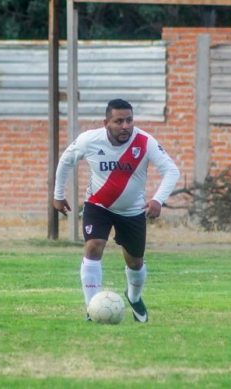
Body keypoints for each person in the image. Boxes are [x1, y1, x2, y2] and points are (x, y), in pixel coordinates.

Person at [52, 98, 180, 322]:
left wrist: (158, 200)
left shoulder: (145, 141)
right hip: (97, 205)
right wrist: (58, 195)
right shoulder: (89, 140)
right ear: (106, 123)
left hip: (132, 211)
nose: (125, 126)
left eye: (129, 120)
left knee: (135, 263)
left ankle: (134, 296)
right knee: (93, 247)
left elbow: (171, 170)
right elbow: (66, 161)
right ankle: (92, 308)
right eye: (119, 121)